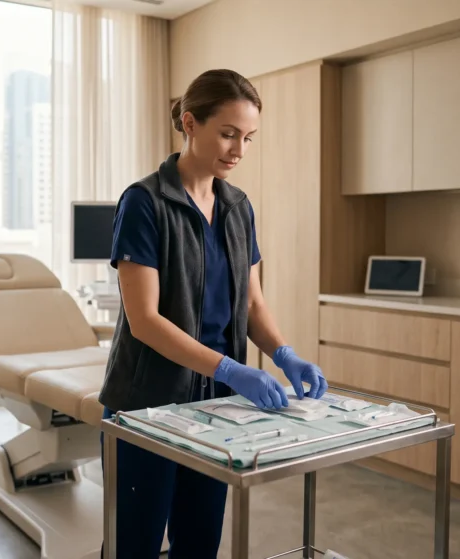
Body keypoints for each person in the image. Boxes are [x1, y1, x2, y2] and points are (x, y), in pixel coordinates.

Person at [97, 68, 328, 558]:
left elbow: (251, 303)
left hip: (217, 412)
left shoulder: (238, 207)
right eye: (227, 133)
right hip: (147, 408)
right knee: (131, 546)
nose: (238, 150)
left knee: (199, 544)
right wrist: (230, 367)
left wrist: (284, 354)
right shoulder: (145, 202)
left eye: (248, 137)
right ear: (190, 123)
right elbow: (145, 320)